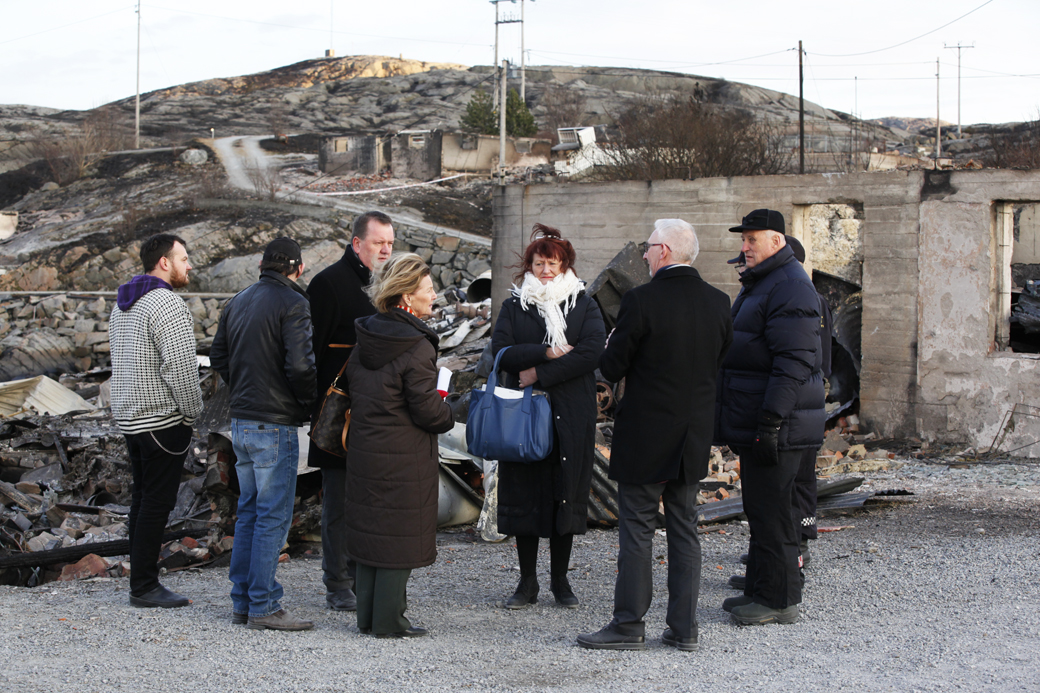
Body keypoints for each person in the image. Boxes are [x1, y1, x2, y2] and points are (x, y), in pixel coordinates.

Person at [577, 219, 732, 652]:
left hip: (646, 434)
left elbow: (612, 366)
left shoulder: (640, 301)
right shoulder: (720, 302)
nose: (643, 254)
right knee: (685, 529)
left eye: (648, 248)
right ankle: (684, 628)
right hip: (693, 435)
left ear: (663, 252)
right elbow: (721, 358)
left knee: (638, 531)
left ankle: (628, 624)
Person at [715, 209, 826, 625]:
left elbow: (793, 363)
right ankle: (758, 589)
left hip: (782, 424)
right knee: (761, 508)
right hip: (764, 418)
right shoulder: (764, 283)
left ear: (777, 241)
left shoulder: (790, 287)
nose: (744, 248)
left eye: (752, 240)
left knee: (777, 512)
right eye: (743, 240)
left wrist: (770, 421)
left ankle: (780, 601)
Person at [489, 224, 606, 610]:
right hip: (525, 415)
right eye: (538, 263)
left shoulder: (583, 303)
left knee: (564, 494)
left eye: (551, 263)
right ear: (529, 265)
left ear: (564, 264)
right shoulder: (514, 306)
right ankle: (527, 583)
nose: (544, 271)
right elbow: (502, 352)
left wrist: (539, 371)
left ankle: (560, 580)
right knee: (525, 493)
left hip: (571, 413)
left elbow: (591, 353)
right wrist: (547, 353)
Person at [344, 253, 454, 638]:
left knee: (372, 531)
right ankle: (390, 621)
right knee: (397, 536)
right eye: (428, 289)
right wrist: (449, 411)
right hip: (403, 455)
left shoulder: (367, 336)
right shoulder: (417, 345)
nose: (435, 295)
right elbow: (427, 411)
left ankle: (368, 618)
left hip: (365, 449)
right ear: (407, 296)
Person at [211, 236, 317, 631]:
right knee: (273, 515)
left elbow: (218, 354)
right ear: (298, 268)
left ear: (261, 263)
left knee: (250, 513)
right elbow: (303, 367)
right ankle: (264, 606)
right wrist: (307, 405)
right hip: (275, 422)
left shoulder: (238, 300)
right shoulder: (294, 303)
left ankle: (244, 601)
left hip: (240, 420)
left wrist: (244, 385)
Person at [306, 210, 395, 613]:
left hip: (379, 415)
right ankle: (337, 582)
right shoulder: (326, 284)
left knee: (372, 502)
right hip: (338, 414)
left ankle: (365, 576)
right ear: (357, 243)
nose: (386, 250)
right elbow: (311, 354)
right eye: (379, 243)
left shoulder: (391, 285)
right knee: (339, 502)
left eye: (391, 244)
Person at [109, 233, 203, 608]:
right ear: (164, 262)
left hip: (131, 419)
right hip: (162, 421)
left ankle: (140, 579)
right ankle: (145, 586)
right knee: (156, 503)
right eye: (183, 258)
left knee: (142, 500)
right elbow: (180, 368)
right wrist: (193, 413)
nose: (189, 265)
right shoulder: (166, 303)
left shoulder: (122, 303)